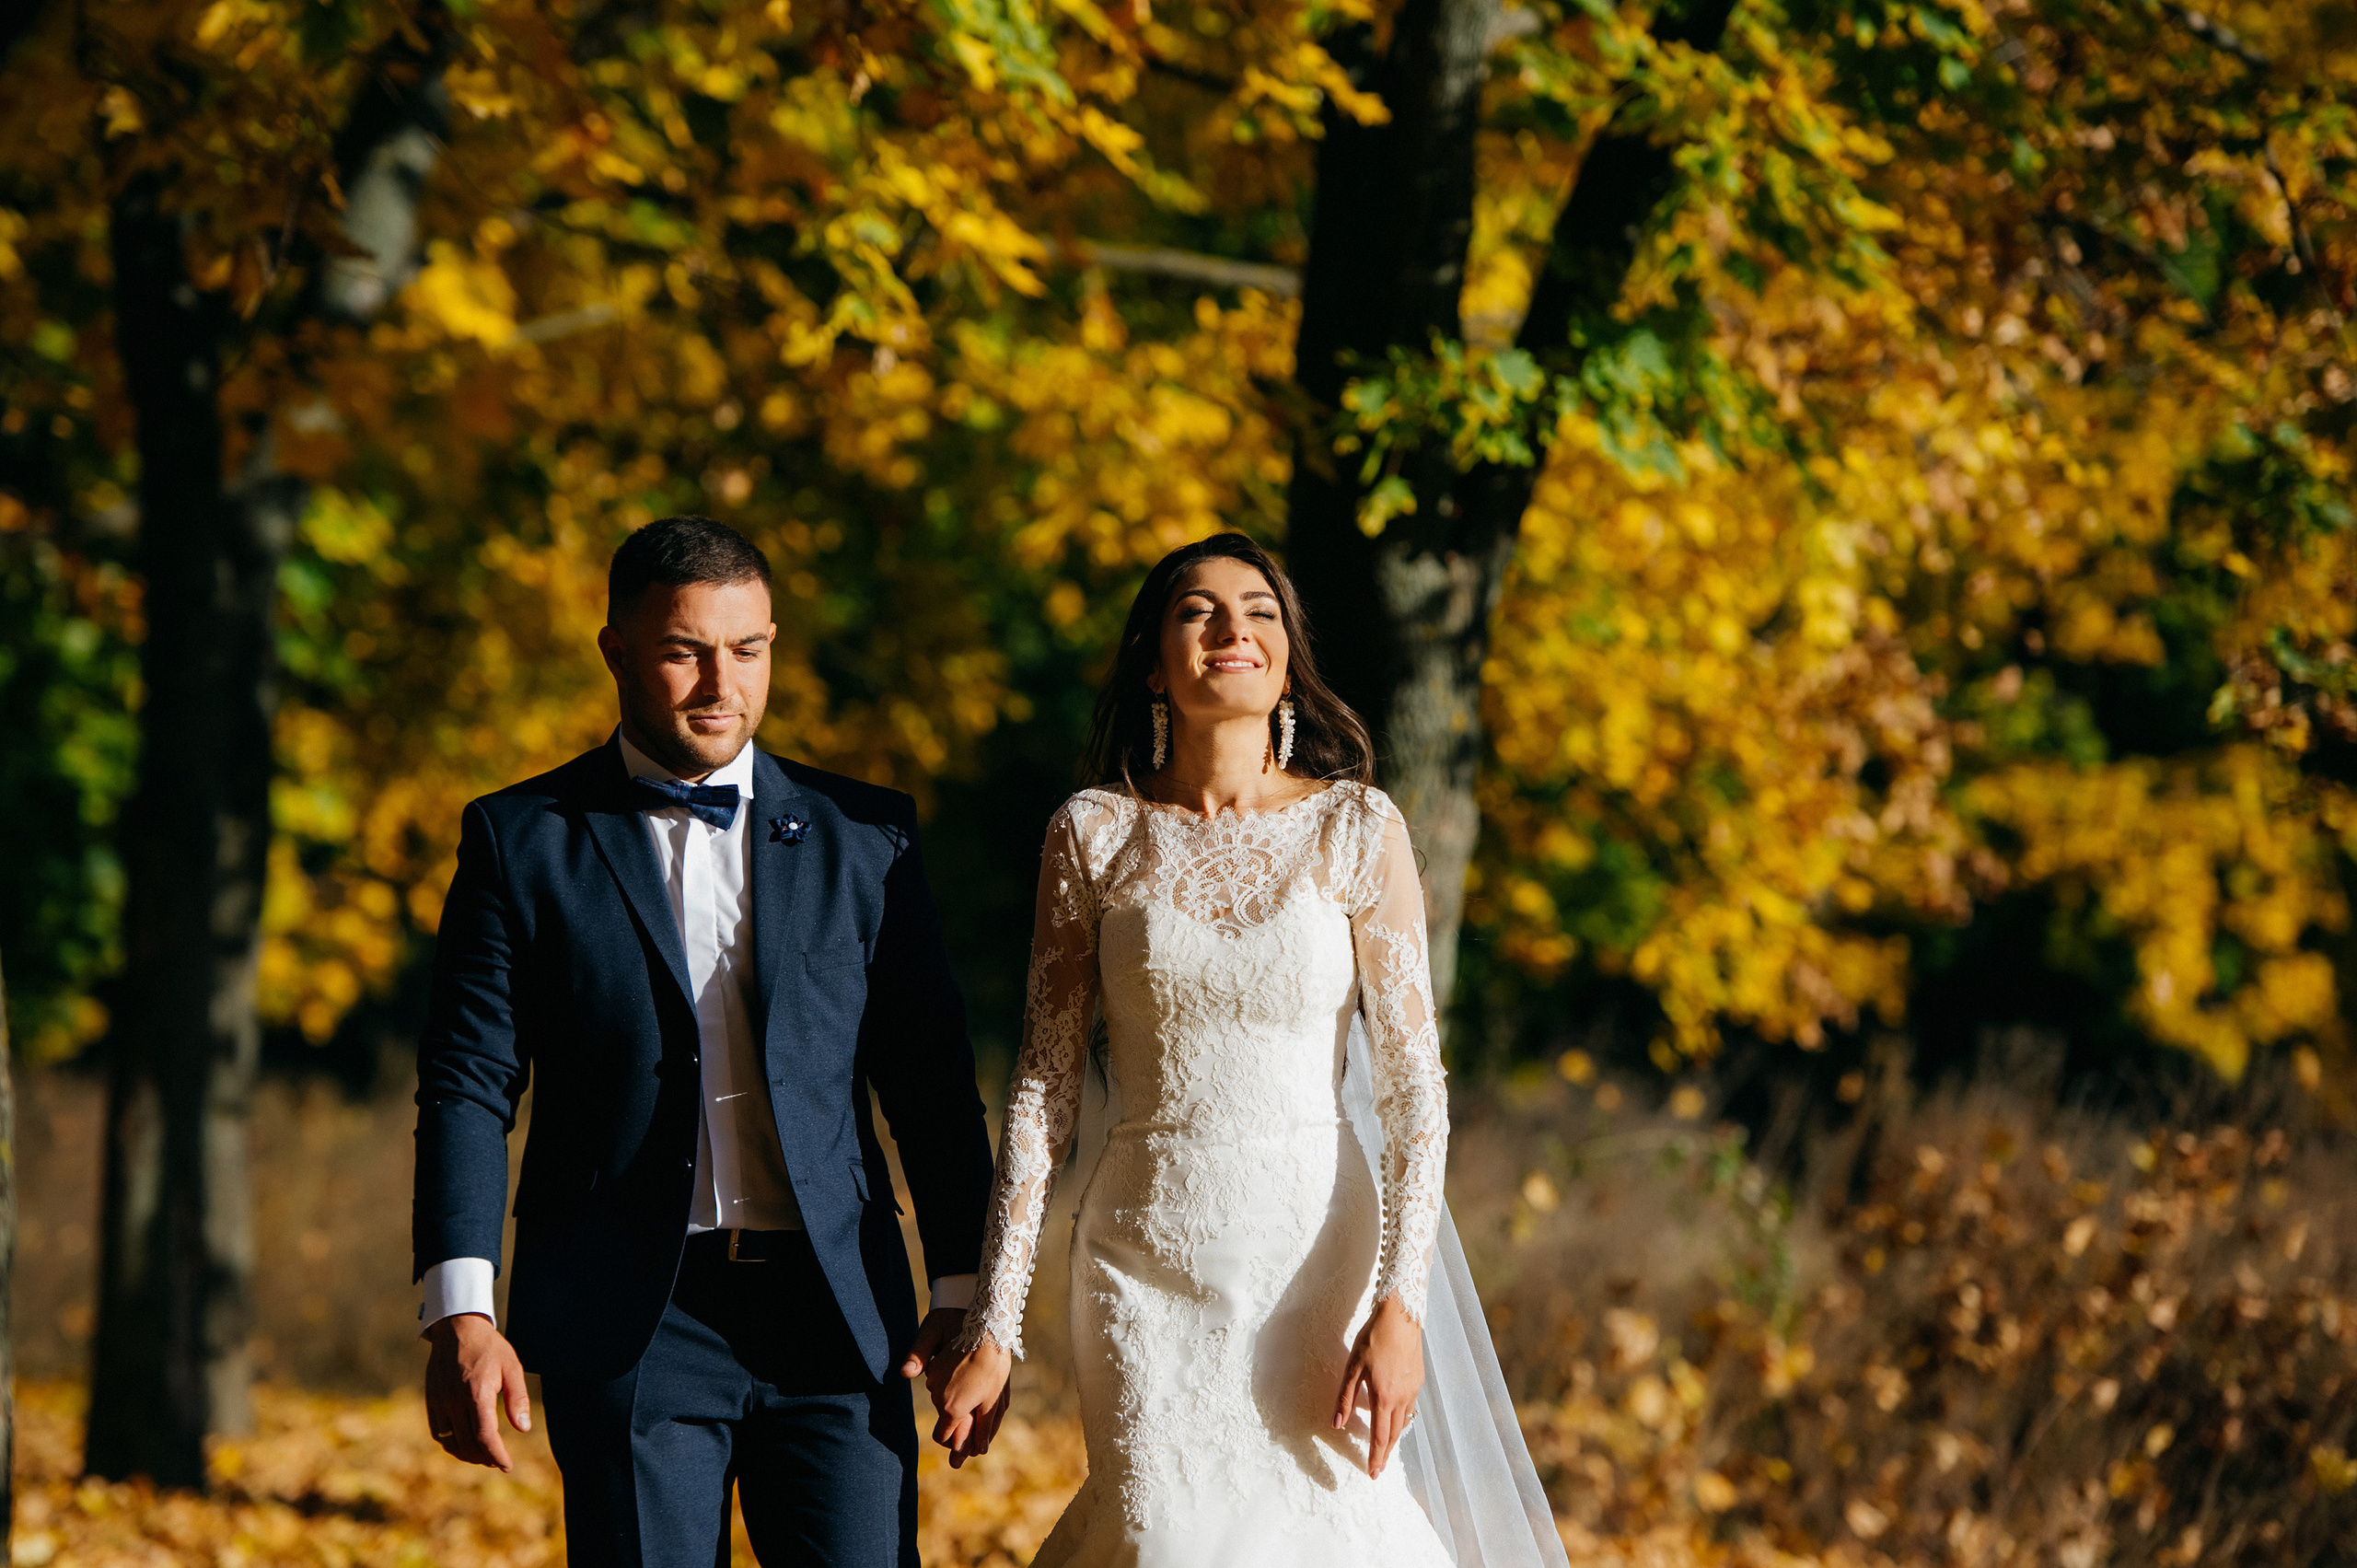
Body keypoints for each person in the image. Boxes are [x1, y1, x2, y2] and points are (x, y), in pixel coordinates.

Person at [411, 515, 996, 1568]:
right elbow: (466, 1083)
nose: (720, 683)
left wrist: (966, 1290)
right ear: (618, 651)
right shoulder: (519, 837)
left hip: (839, 1313)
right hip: (634, 1314)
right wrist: (461, 1305)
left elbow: (931, 1079)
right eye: (684, 651)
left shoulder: (870, 836)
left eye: (749, 649)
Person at [927, 532, 1480, 1567]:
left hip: (1315, 1252)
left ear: (1286, 654)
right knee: (1164, 1536)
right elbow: (1043, 1087)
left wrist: (1402, 1307)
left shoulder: (1358, 826)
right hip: (1143, 1253)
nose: (1233, 629)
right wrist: (993, 1324)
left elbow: (1414, 1090)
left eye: (1259, 611)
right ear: (1153, 661)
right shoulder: (1092, 833)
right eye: (1198, 610)